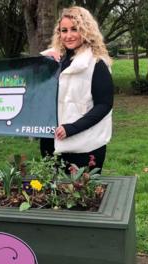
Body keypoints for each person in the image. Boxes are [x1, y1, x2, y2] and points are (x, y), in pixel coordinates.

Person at [40, 6, 114, 171]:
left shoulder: (96, 63)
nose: (68, 35)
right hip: (50, 143)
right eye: (63, 30)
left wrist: (71, 128)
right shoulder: (52, 61)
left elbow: (104, 104)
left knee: (82, 195)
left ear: (86, 30)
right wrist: (43, 64)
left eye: (75, 29)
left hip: (84, 146)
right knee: (53, 194)